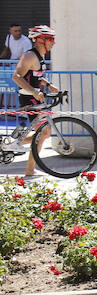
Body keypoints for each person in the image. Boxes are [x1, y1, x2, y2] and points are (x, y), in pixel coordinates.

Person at [10, 25, 59, 180]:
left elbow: (35, 75)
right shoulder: (30, 56)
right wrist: (34, 92)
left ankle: (17, 146)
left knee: (43, 133)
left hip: (35, 96)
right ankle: (28, 166)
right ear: (39, 40)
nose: (53, 43)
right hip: (29, 98)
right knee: (43, 133)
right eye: (50, 39)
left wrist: (47, 84)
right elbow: (17, 77)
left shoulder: (40, 56)